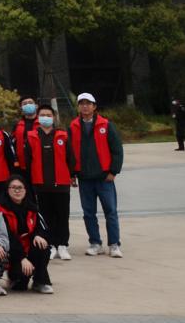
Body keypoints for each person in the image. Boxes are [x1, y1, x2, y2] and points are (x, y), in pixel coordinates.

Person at [70, 92, 124, 258]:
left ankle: (114, 244)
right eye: (82, 103)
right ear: (78, 107)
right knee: (88, 213)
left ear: (94, 106)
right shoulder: (73, 127)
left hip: (104, 178)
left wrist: (113, 171)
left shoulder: (106, 125)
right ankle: (95, 243)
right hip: (84, 178)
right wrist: (72, 173)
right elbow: (69, 152)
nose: (85, 106)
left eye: (88, 103)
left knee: (110, 211)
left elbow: (117, 150)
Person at [21, 105, 74, 261]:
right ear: (38, 117)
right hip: (41, 184)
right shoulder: (31, 136)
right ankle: (50, 245)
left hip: (61, 184)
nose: (45, 117)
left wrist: (71, 175)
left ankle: (62, 245)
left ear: (53, 117)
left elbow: (70, 158)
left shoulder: (62, 135)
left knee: (62, 216)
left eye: (48, 115)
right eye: (42, 115)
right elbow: (28, 161)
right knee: (46, 217)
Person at [0, 173, 53, 293]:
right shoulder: (0, 211)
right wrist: (22, 258)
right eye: (13, 187)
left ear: (25, 190)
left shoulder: (33, 209)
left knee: (42, 245)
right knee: (20, 286)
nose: (17, 191)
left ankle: (40, 281)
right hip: (11, 253)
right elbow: (8, 237)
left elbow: (44, 229)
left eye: (20, 187)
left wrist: (38, 235)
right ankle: (15, 278)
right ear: (7, 190)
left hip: (30, 249)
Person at [13, 96, 40, 162]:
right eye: (24, 104)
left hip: (41, 162)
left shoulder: (43, 123)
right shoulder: (17, 125)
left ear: (36, 106)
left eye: (30, 103)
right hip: (23, 163)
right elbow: (14, 144)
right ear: (21, 108)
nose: (28, 105)